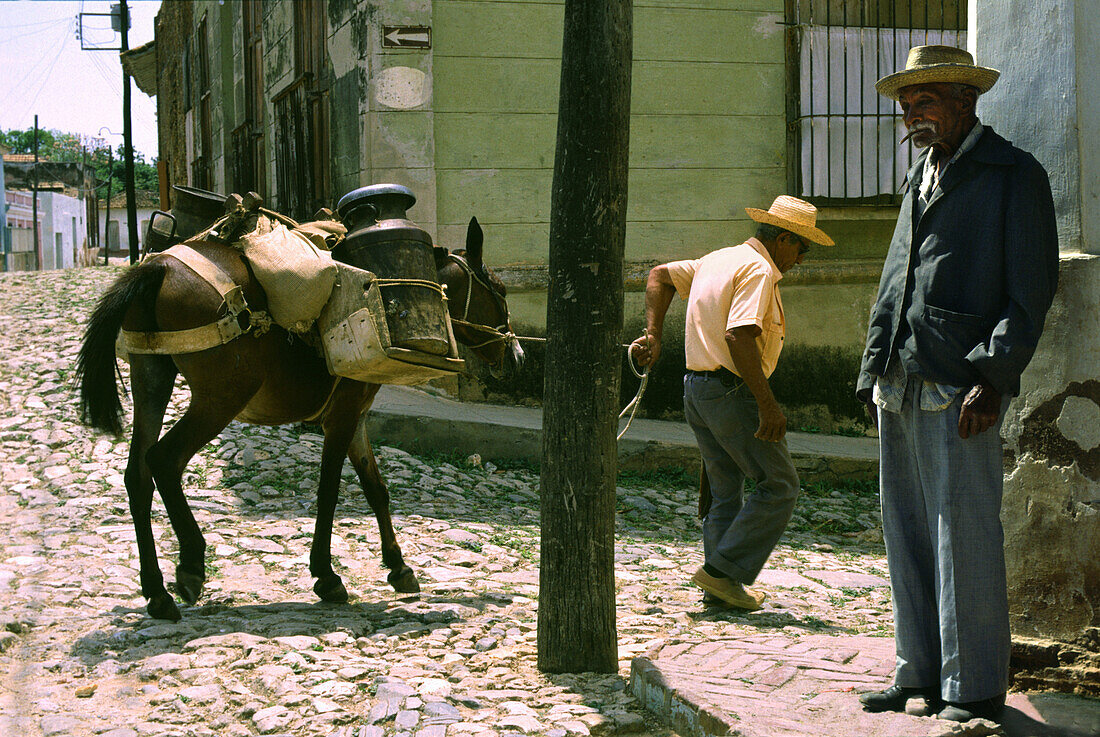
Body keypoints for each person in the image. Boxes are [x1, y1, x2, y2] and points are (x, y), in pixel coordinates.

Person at [856, 46, 1059, 724]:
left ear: (965, 102)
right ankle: (916, 672)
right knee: (905, 530)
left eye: (926, 103)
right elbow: (894, 280)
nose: (913, 116)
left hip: (960, 381)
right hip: (901, 378)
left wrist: (994, 377)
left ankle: (970, 687)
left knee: (963, 533)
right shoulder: (922, 173)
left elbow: (1030, 291)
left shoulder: (1013, 175)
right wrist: (872, 368)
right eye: (908, 107)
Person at [631, 196, 834, 610]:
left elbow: (659, 276)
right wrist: (768, 405)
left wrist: (654, 334)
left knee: (725, 491)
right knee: (780, 485)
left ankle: (719, 588)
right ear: (782, 239)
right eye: (801, 248)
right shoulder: (759, 269)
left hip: (696, 391)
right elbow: (739, 336)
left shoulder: (718, 259)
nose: (800, 259)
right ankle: (722, 572)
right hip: (730, 391)